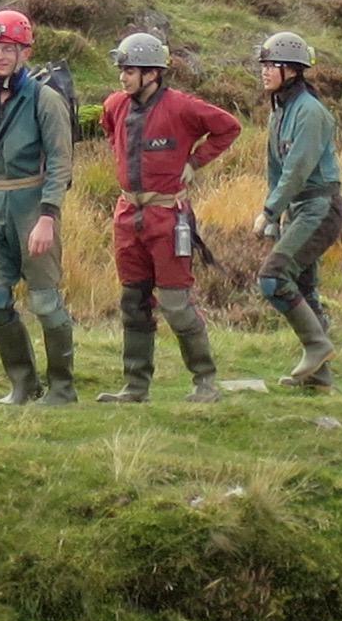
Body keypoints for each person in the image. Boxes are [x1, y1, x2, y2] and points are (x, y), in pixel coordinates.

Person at [96, 30, 240, 404]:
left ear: (152, 73)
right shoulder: (115, 105)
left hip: (167, 217)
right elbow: (109, 129)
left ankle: (205, 381)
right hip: (128, 216)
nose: (122, 77)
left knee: (176, 304)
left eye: (130, 71)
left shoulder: (182, 107)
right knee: (133, 302)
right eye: (122, 70)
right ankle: (135, 387)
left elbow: (228, 127)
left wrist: (195, 161)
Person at [0, 7, 79, 406]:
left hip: (32, 206)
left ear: (25, 52)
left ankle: (62, 388)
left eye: (8, 48)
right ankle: (23, 385)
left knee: (45, 302)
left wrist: (48, 217)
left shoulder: (46, 100)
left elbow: (60, 163)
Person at [249, 31, 342, 390]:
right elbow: (275, 169)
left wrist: (268, 211)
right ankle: (319, 379)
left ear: (291, 69)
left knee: (273, 277)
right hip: (299, 209)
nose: (264, 71)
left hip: (320, 208)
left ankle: (317, 346)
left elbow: (298, 169)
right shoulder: (279, 111)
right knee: (304, 288)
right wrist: (276, 218)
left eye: (271, 65)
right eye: (263, 64)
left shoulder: (310, 112)